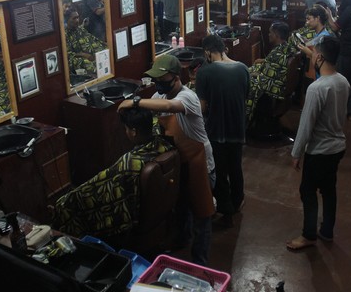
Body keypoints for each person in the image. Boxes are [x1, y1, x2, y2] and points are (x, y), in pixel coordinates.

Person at [119, 55, 215, 265]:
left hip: (201, 164)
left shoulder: (188, 97)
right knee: (182, 207)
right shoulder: (158, 96)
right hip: (180, 161)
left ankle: (200, 261)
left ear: (176, 77)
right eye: (156, 79)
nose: (158, 84)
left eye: (163, 79)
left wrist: (134, 101)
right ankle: (182, 239)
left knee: (202, 213)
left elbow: (172, 107)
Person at [50, 108, 174, 237]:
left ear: (133, 132)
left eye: (126, 129)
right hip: (155, 210)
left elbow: (96, 186)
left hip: (136, 216)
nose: (126, 132)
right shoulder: (162, 144)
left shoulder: (128, 164)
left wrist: (65, 202)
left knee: (66, 204)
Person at [287, 36, 350, 250]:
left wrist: (297, 153)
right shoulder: (343, 81)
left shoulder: (317, 88)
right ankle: (327, 230)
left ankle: (309, 235)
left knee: (307, 191)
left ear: (320, 57)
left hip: (320, 150)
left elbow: (306, 125)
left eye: (313, 53)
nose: (312, 56)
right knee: (328, 189)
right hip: (337, 147)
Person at [196, 35, 250, 227]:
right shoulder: (243, 68)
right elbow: (244, 95)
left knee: (218, 170)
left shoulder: (204, 73)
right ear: (224, 49)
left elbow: (201, 108)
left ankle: (226, 210)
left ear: (207, 52)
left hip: (217, 129)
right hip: (237, 127)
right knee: (235, 166)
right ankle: (238, 200)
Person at [245, 22, 291, 123]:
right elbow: (272, 65)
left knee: (244, 79)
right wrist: (264, 61)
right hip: (283, 85)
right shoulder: (285, 47)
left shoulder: (277, 53)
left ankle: (245, 119)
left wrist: (250, 74)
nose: (268, 34)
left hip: (274, 87)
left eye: (270, 32)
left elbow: (266, 76)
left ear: (277, 35)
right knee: (253, 67)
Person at [64, 6, 107, 76]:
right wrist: (84, 55)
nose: (77, 20)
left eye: (77, 17)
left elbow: (92, 39)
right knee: (86, 63)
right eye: (74, 18)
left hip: (89, 54)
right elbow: (68, 54)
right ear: (67, 20)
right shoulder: (65, 35)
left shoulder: (80, 30)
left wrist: (106, 45)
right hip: (76, 59)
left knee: (106, 51)